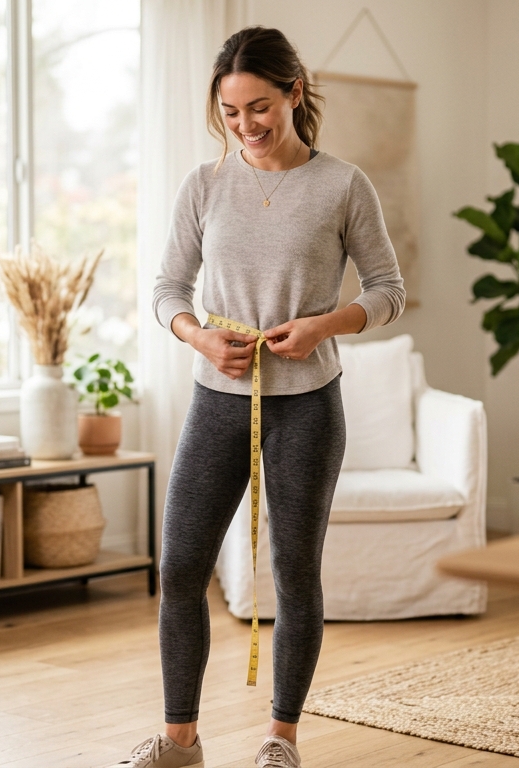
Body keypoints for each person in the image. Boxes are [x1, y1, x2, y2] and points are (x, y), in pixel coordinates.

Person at [106, 26, 404, 768]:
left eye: (259, 107)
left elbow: (387, 291)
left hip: (308, 402)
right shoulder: (204, 185)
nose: (245, 125)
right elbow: (167, 289)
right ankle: (180, 742)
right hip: (219, 397)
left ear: (294, 93)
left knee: (294, 573)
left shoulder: (343, 185)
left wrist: (322, 326)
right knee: (181, 567)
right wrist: (198, 337)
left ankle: (281, 740)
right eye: (230, 112)